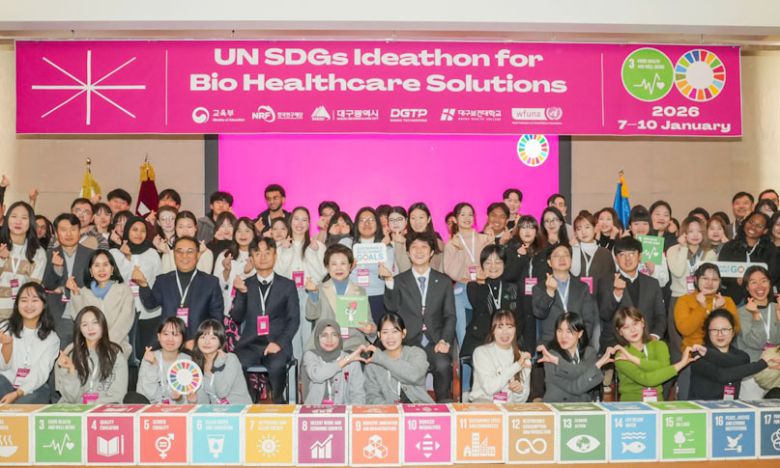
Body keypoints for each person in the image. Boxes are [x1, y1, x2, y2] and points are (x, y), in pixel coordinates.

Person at [382, 232, 456, 402]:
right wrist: (388, 282)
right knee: (405, 367)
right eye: (414, 247)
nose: (419, 251)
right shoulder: (399, 280)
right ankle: (408, 407)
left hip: (435, 341)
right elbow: (391, 308)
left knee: (443, 365)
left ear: (432, 252)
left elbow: (450, 316)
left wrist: (445, 340)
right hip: (408, 342)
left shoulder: (444, 281)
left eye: (424, 247)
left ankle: (443, 405)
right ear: (408, 253)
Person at [230, 237, 300, 403]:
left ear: (275, 256)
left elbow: (294, 319)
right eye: (257, 253)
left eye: (267, 253)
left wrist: (279, 343)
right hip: (250, 344)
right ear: (252, 258)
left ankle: (278, 400)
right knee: (236, 363)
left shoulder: (288, 285)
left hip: (277, 344)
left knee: (276, 365)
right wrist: (242, 293)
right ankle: (249, 401)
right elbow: (237, 317)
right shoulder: (245, 284)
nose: (262, 257)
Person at [134, 236, 224, 347]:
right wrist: (143, 284)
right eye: (179, 251)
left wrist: (199, 341)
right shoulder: (163, 280)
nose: (184, 256)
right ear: (174, 255)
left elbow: (216, 320)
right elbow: (150, 305)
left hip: (197, 344)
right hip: (167, 343)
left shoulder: (210, 283)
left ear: (198, 254)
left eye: (190, 251)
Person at [674, 262, 740, 399]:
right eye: (705, 278)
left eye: (714, 279)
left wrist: (720, 310)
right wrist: (701, 308)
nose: (710, 283)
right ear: (696, 280)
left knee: (723, 402)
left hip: (722, 357)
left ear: (720, 282)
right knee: (689, 401)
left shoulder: (726, 301)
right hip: (694, 357)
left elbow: (736, 329)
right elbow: (685, 329)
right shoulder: (684, 300)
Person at [613, 307, 700, 402]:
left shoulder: (660, 345)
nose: (632, 330)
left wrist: (633, 359)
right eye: (626, 327)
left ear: (642, 322)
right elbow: (647, 380)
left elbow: (664, 368)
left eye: (635, 323)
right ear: (620, 332)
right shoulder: (621, 355)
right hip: (631, 405)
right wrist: (681, 364)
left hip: (657, 403)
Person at [273, 207, 326, 360]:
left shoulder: (317, 246)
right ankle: (293, 371)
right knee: (292, 334)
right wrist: (286, 251)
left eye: (304, 220)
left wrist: (314, 253)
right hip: (287, 296)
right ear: (290, 222)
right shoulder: (279, 246)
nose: (300, 223)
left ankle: (308, 369)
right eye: (296, 219)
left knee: (309, 335)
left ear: (309, 224)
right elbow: (278, 273)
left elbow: (321, 274)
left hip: (310, 294)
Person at [690, 309, 780, 400]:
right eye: (714, 330)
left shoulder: (741, 357)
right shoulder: (697, 354)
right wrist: (763, 363)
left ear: (733, 332)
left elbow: (728, 360)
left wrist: (707, 353)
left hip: (731, 407)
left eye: (725, 330)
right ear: (708, 333)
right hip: (701, 407)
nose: (720, 334)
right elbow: (722, 375)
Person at [598, 237, 666, 352]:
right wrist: (616, 294)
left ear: (639, 256)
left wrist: (654, 336)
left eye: (632, 254)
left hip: (647, 342)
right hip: (617, 345)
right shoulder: (606, 281)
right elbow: (604, 315)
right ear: (616, 259)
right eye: (622, 255)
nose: (627, 259)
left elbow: (661, 316)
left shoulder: (652, 283)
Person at [305, 244, 376, 352]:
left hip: (352, 346)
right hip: (324, 346)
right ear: (327, 267)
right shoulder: (319, 289)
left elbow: (370, 323)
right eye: (334, 264)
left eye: (343, 263)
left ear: (350, 266)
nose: (338, 268)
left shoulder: (360, 291)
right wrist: (313, 294)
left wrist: (370, 329)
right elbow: (310, 315)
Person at [110, 216, 162, 362]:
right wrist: (127, 257)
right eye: (134, 230)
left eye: (143, 231)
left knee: (146, 354)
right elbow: (116, 281)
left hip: (148, 312)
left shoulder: (152, 253)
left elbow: (159, 281)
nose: (139, 234)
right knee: (123, 355)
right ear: (127, 231)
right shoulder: (115, 254)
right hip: (122, 310)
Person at [67, 249, 134, 357]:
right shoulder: (84, 292)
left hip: (116, 344)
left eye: (105, 265)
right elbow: (78, 318)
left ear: (112, 269)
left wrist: (105, 344)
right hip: (89, 344)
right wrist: (75, 293)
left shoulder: (124, 290)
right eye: (97, 265)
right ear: (90, 271)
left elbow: (125, 321)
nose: (101, 269)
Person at [0, 282, 60, 403]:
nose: (29, 305)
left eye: (35, 300)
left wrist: (18, 393)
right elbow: (3, 367)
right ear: (17, 304)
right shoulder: (5, 327)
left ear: (44, 304)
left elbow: (41, 373)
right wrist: (7, 345)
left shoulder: (52, 339)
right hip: (5, 382)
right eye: (24, 300)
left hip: (34, 388)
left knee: (29, 401)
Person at [55, 306, 128, 404]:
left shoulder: (115, 354)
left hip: (103, 409)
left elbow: (117, 396)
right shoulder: (70, 353)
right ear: (79, 329)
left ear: (103, 325)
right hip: (75, 409)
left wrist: (89, 403)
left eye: (95, 322)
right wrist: (71, 369)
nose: (90, 328)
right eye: (84, 324)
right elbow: (70, 398)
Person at [41, 213, 94, 348]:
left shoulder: (91, 254)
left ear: (80, 231)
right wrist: (57, 270)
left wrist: (66, 288)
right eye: (63, 230)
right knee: (59, 354)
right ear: (56, 233)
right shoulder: (48, 254)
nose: (69, 234)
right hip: (58, 316)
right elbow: (47, 285)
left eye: (73, 229)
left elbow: (93, 284)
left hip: (84, 313)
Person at [537, 312, 614, 402]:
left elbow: (582, 377)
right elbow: (575, 388)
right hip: (555, 406)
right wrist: (596, 367)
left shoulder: (589, 353)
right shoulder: (551, 355)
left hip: (583, 407)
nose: (563, 336)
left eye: (569, 331)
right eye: (559, 331)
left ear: (580, 333)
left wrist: (560, 363)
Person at [443, 202, 491, 348]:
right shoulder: (452, 244)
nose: (467, 218)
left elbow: (492, 263)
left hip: (483, 285)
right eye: (462, 214)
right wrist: (459, 252)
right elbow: (449, 270)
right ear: (455, 219)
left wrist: (482, 275)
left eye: (470, 214)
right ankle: (464, 354)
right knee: (462, 331)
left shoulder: (484, 239)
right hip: (462, 287)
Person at [462, 244, 521, 360]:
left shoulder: (513, 288)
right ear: (482, 265)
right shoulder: (473, 286)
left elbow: (519, 318)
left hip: (508, 338)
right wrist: (481, 282)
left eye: (498, 262)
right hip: (481, 339)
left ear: (504, 264)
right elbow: (481, 310)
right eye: (488, 263)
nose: (493, 266)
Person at [533, 243, 598, 346]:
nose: (562, 259)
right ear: (549, 262)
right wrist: (549, 292)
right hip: (551, 344)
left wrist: (580, 342)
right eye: (557, 256)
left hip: (578, 343)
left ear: (571, 260)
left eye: (566, 255)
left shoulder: (583, 287)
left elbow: (588, 321)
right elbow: (539, 313)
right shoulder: (540, 287)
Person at [364, 313, 434, 404]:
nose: (390, 337)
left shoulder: (416, 353)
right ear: (379, 335)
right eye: (385, 332)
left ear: (403, 333)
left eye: (395, 331)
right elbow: (372, 397)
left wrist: (381, 358)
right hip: (389, 411)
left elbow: (415, 376)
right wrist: (391, 410)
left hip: (419, 409)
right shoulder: (372, 364)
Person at [504, 215, 547, 352]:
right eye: (523, 227)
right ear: (518, 231)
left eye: (531, 227)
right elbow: (508, 276)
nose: (527, 231)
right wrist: (520, 256)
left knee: (538, 343)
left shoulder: (543, 251)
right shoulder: (510, 249)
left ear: (536, 231)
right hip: (518, 303)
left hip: (538, 303)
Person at [469, 310, 532, 403]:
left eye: (509, 327)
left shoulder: (524, 359)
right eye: (500, 327)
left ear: (515, 330)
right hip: (483, 405)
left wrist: (519, 392)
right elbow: (489, 388)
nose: (505, 332)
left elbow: (523, 400)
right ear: (493, 330)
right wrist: (516, 366)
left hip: (509, 408)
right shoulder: (481, 353)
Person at [737, 266, 780, 399]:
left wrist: (779, 315)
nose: (759, 286)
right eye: (753, 282)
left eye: (763, 281)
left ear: (770, 284)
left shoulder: (777, 307)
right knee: (751, 410)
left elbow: (776, 339)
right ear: (747, 287)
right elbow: (756, 342)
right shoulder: (742, 312)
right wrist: (755, 315)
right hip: (752, 374)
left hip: (776, 371)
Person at [302, 318, 367, 405]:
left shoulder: (352, 360)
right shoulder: (310, 355)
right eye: (324, 335)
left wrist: (350, 412)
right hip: (315, 410)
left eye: (334, 335)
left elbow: (358, 395)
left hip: (343, 410)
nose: (329, 339)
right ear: (317, 338)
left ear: (339, 337)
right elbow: (317, 375)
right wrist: (346, 360)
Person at [0, 201, 46, 320]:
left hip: (21, 313)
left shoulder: (38, 252)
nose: (18, 222)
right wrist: (1, 260)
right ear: (7, 219)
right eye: (14, 216)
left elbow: (34, 287)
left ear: (31, 222)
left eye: (24, 218)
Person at [719, 210, 777, 304]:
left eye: (759, 226)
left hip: (761, 298)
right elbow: (721, 273)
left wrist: (756, 281)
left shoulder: (770, 249)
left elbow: (773, 276)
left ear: (765, 230)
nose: (753, 227)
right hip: (733, 299)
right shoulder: (729, 246)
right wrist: (736, 280)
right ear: (745, 222)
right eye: (751, 222)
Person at [350, 207, 395, 323]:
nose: (367, 223)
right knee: (355, 332)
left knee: (378, 331)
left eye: (371, 220)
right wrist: (348, 269)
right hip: (353, 297)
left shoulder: (386, 247)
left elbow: (391, 276)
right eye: (362, 220)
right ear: (356, 224)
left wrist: (387, 275)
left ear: (378, 224)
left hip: (378, 297)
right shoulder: (347, 244)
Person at [192, 319, 252, 404]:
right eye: (203, 337)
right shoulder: (198, 364)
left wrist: (219, 365)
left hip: (239, 408)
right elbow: (204, 402)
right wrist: (193, 399)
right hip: (217, 410)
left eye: (213, 338)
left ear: (220, 342)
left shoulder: (230, 359)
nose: (207, 342)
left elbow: (222, 392)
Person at [213, 217, 257, 313]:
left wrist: (247, 273)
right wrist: (226, 271)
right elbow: (216, 286)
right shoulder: (225, 255)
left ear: (254, 234)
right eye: (239, 231)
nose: (243, 235)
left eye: (247, 231)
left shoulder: (259, 256)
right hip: (228, 310)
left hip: (252, 309)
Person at [571, 211, 615, 295]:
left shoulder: (605, 253)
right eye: (579, 229)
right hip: (576, 299)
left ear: (595, 229)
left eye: (587, 227)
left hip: (599, 299)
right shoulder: (571, 252)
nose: (583, 232)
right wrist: (575, 249)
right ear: (575, 233)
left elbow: (609, 281)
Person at [627, 206, 670, 288]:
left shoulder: (655, 245)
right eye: (636, 224)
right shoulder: (624, 245)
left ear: (650, 226)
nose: (641, 227)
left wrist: (653, 270)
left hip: (651, 291)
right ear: (630, 227)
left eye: (645, 224)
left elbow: (664, 281)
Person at [405, 202, 444, 271]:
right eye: (413, 218)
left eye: (421, 217)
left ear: (428, 219)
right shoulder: (404, 242)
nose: (417, 222)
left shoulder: (438, 243)